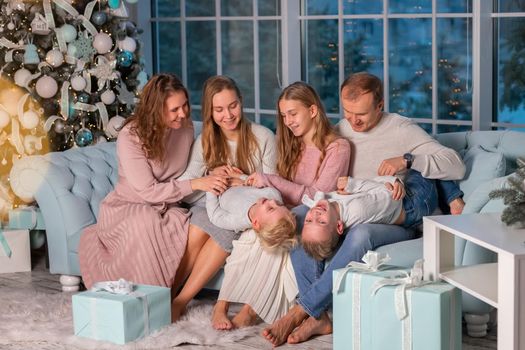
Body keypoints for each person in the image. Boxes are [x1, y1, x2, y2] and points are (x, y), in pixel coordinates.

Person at [265, 72, 467, 346]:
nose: (353, 121)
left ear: (380, 105)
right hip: (348, 208)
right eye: (347, 112)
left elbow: (455, 163)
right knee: (298, 217)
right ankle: (321, 317)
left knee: (360, 234)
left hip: (395, 217)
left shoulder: (401, 129)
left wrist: (407, 160)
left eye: (361, 114)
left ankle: (303, 309)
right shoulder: (343, 129)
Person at [212, 81, 351, 330]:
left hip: (315, 212)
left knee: (282, 228)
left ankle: (252, 309)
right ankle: (229, 304)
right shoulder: (288, 142)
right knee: (254, 234)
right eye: (284, 115)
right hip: (282, 209)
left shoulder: (337, 147)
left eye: (293, 114)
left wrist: (272, 184)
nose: (287, 121)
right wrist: (242, 180)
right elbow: (274, 186)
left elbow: (317, 195)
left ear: (312, 110)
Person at [78, 74, 229, 289]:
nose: (183, 114)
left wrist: (213, 169)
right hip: (130, 205)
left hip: (170, 205)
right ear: (156, 110)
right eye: (174, 110)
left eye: (185, 105)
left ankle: (167, 295)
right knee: (146, 223)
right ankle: (146, 296)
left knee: (207, 221)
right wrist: (197, 183)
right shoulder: (131, 137)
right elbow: (147, 191)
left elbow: (189, 168)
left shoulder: (184, 128)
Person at [170, 75, 277, 322]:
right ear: (210, 111)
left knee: (226, 231)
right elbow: (187, 188)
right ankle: (167, 294)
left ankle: (181, 301)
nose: (227, 115)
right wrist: (210, 177)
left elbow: (273, 185)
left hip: (242, 210)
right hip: (207, 204)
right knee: (197, 227)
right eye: (219, 109)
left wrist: (240, 180)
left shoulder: (263, 136)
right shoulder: (204, 141)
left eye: (233, 106)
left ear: (241, 102)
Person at [301, 171, 439, 261]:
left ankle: (449, 192)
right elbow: (392, 196)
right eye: (321, 222)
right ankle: (452, 195)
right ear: (339, 226)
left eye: (308, 220)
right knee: (422, 167)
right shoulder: (358, 210)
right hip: (415, 202)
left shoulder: (328, 207)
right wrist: (353, 185)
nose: (315, 214)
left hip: (399, 200)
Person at [205, 186, 297, 250]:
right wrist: (242, 179)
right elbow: (269, 189)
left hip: (217, 190)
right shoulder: (271, 196)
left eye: (271, 208)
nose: (273, 201)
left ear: (256, 223)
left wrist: (211, 188)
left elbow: (215, 216)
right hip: (234, 177)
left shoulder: (238, 220)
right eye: (279, 205)